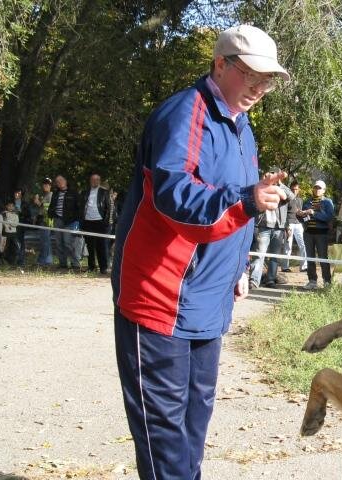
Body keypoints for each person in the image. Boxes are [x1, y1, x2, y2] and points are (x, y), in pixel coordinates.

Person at [111, 24, 290, 480]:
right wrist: (247, 199)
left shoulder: (241, 126)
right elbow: (176, 197)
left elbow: (234, 203)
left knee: (194, 423)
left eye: (267, 79)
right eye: (251, 74)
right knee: (164, 433)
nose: (259, 87)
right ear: (220, 65)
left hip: (208, 302)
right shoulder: (184, 113)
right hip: (160, 297)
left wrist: (240, 266)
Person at [249, 167, 294, 288]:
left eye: (275, 174)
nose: (273, 176)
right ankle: (254, 280)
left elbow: (291, 197)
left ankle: (270, 279)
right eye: (271, 173)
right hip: (263, 226)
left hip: (278, 228)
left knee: (274, 256)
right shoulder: (262, 187)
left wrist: (280, 184)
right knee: (259, 254)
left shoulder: (282, 188)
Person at [299, 179, 334, 290]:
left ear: (324, 190)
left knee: (323, 258)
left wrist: (314, 213)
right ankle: (312, 281)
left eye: (319, 188)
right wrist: (300, 215)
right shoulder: (307, 202)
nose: (317, 190)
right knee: (310, 258)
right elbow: (305, 220)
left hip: (322, 234)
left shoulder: (328, 202)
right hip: (308, 233)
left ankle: (327, 281)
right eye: (315, 187)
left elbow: (328, 217)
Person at [48, 175, 81, 269]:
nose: (59, 182)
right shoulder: (55, 193)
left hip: (70, 221)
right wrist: (50, 214)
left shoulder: (73, 193)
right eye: (57, 181)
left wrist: (78, 221)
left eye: (61, 180)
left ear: (66, 181)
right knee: (59, 243)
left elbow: (79, 207)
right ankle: (62, 263)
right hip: (57, 220)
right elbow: (52, 205)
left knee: (68, 242)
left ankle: (75, 263)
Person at [80, 173, 111, 274]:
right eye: (93, 179)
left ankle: (103, 267)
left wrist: (106, 222)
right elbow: (82, 207)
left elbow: (110, 208)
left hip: (101, 222)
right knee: (90, 246)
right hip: (88, 222)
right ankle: (91, 266)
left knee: (101, 246)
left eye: (97, 179)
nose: (95, 181)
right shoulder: (84, 192)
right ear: (90, 181)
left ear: (99, 181)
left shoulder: (105, 192)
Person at [280, 180, 307, 273]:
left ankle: (303, 266)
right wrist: (286, 226)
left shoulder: (300, 200)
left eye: (296, 189)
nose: (294, 191)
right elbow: (284, 214)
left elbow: (300, 212)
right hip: (290, 223)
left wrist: (303, 213)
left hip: (299, 223)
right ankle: (284, 266)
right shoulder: (287, 199)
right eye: (292, 189)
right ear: (290, 189)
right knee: (288, 245)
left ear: (299, 190)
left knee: (303, 244)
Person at [34, 178, 54, 266]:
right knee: (45, 241)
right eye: (44, 184)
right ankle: (48, 260)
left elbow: (46, 209)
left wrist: (38, 202)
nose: (46, 186)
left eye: (48, 184)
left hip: (46, 221)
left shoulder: (51, 195)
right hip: (43, 220)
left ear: (50, 186)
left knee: (45, 241)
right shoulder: (44, 195)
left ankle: (43, 261)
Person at [0, 199, 20, 265]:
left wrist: (9, 222)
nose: (10, 207)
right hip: (5, 234)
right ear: (6, 206)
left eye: (12, 206)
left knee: (15, 248)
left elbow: (15, 224)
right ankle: (3, 262)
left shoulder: (15, 215)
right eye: (9, 206)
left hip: (13, 234)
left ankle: (13, 262)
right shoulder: (2, 215)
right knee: (3, 248)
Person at [12, 188, 31, 265]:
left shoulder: (25, 203)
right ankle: (12, 260)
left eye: (19, 193)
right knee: (13, 242)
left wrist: (21, 213)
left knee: (20, 242)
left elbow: (28, 215)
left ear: (21, 194)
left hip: (20, 224)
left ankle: (21, 261)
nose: (17, 194)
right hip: (11, 224)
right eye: (16, 193)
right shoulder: (10, 202)